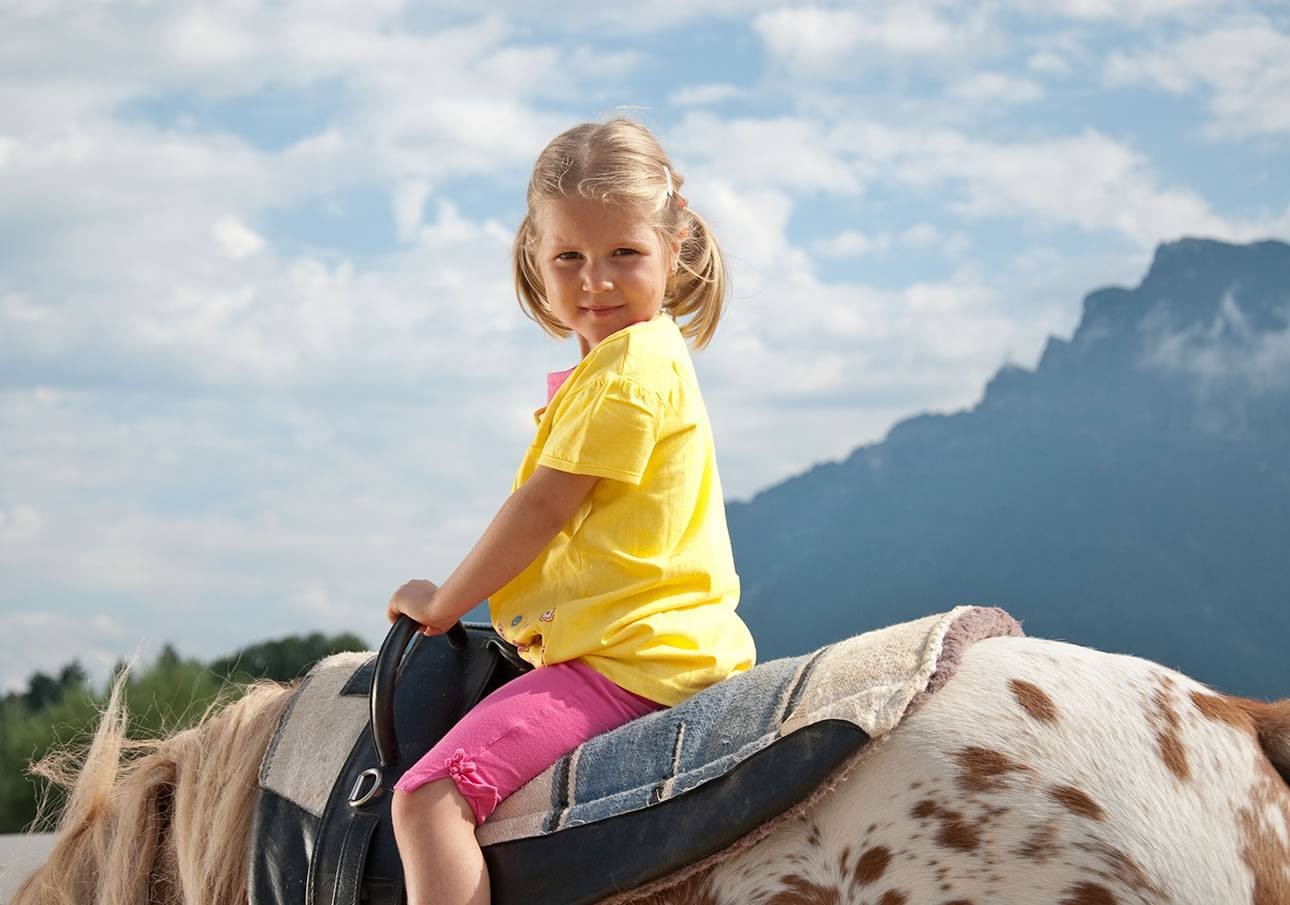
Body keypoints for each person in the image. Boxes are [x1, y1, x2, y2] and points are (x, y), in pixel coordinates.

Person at [385, 118, 756, 905]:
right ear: (536, 257)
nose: (597, 281)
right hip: (660, 642)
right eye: (569, 258)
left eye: (625, 253)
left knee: (427, 799)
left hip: (626, 660)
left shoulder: (628, 370)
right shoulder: (633, 358)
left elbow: (544, 506)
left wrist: (443, 605)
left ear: (675, 242)